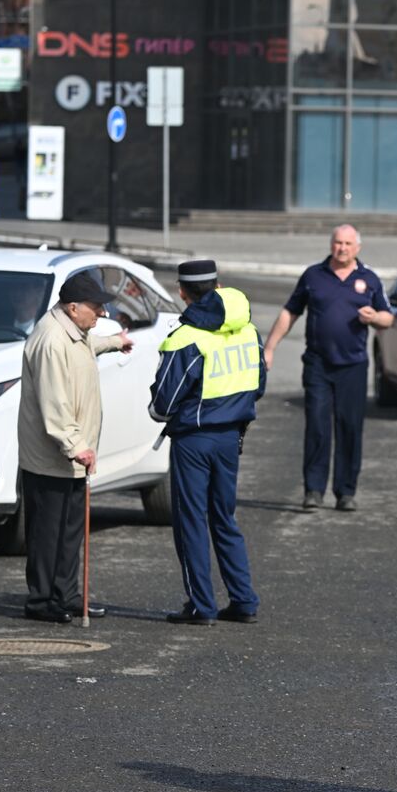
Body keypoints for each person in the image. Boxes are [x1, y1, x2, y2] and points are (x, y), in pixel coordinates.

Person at [149, 260, 266, 626]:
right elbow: (258, 386)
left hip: (194, 440)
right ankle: (244, 600)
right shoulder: (248, 330)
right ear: (218, 285)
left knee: (191, 522)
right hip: (231, 437)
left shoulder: (185, 337)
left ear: (182, 292)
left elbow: (163, 404)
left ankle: (202, 606)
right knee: (224, 518)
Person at [17, 272, 132, 623]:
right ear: (72, 307)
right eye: (95, 308)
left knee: (70, 529)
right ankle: (42, 601)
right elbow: (55, 403)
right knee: (48, 532)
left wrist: (113, 342)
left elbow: (84, 349)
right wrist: (76, 445)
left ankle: (65, 595)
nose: (100, 314)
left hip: (71, 456)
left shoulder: (74, 332)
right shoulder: (51, 340)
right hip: (52, 456)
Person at [263, 225, 394, 512]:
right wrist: (270, 348)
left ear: (358, 247)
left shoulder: (369, 279)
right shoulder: (313, 276)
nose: (342, 248)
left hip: (353, 365)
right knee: (317, 426)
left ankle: (346, 492)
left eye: (348, 243)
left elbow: (388, 318)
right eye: (338, 242)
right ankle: (313, 490)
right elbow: (290, 312)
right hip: (318, 363)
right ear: (331, 244)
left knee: (349, 427)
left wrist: (374, 317)